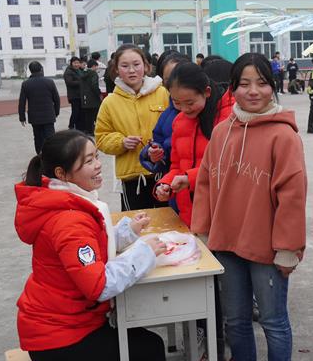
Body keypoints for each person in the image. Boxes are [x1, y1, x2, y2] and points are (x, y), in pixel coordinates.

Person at [14, 129, 200, 361]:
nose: (98, 166)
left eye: (96, 157)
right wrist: (145, 251)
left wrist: (126, 232)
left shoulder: (67, 204)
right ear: (62, 173)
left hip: (61, 326)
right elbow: (98, 285)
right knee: (148, 348)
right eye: (88, 161)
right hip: (58, 339)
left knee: (137, 345)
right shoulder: (68, 220)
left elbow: (90, 250)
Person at [191, 52, 307, 361]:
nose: (252, 91)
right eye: (244, 83)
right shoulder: (223, 131)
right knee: (236, 320)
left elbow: (293, 194)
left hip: (267, 248)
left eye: (261, 82)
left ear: (273, 87)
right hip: (227, 242)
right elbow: (206, 182)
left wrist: (289, 247)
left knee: (272, 320)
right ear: (233, 88)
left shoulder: (282, 135)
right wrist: (204, 229)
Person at [154, 63, 234, 227]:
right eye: (177, 102)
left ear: (206, 92)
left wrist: (189, 178)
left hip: (221, 215)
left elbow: (230, 167)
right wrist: (165, 184)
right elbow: (176, 166)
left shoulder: (229, 118)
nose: (184, 109)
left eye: (190, 103)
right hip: (189, 213)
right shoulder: (179, 122)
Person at [94, 44, 171, 211]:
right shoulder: (110, 102)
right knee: (137, 228)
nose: (131, 70)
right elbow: (101, 138)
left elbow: (175, 128)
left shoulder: (163, 93)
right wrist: (121, 142)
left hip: (163, 174)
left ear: (146, 66)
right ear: (116, 69)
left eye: (136, 64)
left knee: (168, 225)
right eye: (125, 66)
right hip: (132, 178)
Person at [138, 51, 191, 190]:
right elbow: (160, 149)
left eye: (180, 77)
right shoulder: (166, 116)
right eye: (168, 80)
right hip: (175, 187)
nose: (175, 84)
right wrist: (154, 154)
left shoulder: (208, 112)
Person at [18, 61, 60, 153]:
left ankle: (40, 156)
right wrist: (56, 112)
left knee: (38, 137)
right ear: (41, 69)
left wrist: (22, 117)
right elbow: (56, 99)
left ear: (30, 71)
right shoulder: (49, 82)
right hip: (48, 115)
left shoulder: (26, 84)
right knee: (50, 137)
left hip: (34, 117)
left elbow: (22, 102)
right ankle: (51, 155)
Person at [79, 59, 102, 135]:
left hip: (85, 98)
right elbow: (94, 85)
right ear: (93, 66)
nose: (96, 69)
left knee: (88, 116)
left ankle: (89, 130)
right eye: (96, 67)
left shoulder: (82, 73)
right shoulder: (93, 74)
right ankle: (97, 130)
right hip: (93, 98)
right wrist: (99, 93)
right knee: (96, 115)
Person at [63, 57, 83, 130]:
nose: (77, 64)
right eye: (75, 63)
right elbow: (69, 82)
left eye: (78, 63)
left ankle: (79, 127)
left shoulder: (79, 70)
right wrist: (81, 82)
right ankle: (71, 126)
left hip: (80, 95)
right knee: (75, 112)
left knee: (80, 112)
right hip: (74, 96)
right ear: (71, 63)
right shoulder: (68, 72)